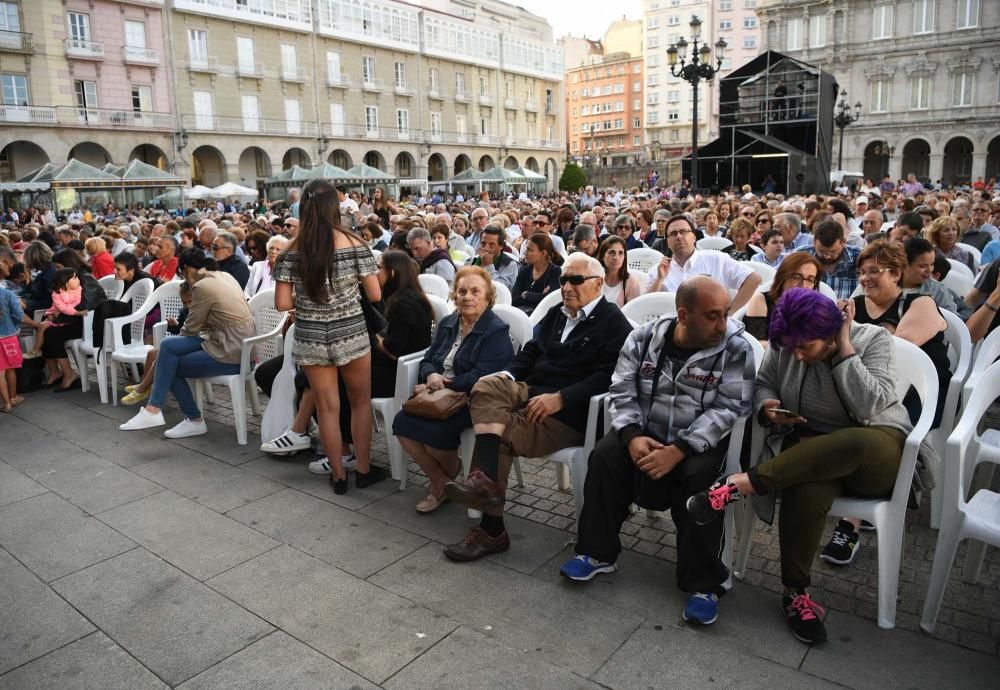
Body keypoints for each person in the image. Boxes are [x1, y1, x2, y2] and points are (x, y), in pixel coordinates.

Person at [686, 288, 917, 645]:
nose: (795, 354)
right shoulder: (786, 345)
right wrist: (767, 407)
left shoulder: (872, 340)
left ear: (828, 335)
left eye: (804, 348)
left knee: (855, 440)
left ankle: (741, 484)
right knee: (805, 484)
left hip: (876, 449)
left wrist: (843, 348)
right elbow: (763, 384)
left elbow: (869, 406)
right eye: (790, 348)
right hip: (811, 454)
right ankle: (795, 594)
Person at [560, 277, 755, 627]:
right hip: (646, 431)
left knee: (702, 480)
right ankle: (597, 553)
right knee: (606, 455)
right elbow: (620, 389)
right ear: (683, 315)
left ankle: (705, 584)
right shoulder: (644, 337)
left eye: (725, 314)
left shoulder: (735, 347)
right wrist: (632, 436)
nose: (722, 324)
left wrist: (680, 449)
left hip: (699, 442)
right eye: (712, 316)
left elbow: (730, 408)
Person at [442, 253, 633, 561]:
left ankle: (491, 528)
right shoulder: (559, 313)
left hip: (570, 413)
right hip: (532, 390)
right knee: (485, 386)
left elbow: (610, 378)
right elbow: (530, 352)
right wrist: (507, 378)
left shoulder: (613, 323)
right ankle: (484, 482)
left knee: (498, 434)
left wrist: (562, 398)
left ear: (598, 284)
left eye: (575, 280)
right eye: (563, 280)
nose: (566, 286)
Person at [271, 178, 384, 494]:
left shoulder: (292, 251)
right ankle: (362, 469)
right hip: (352, 332)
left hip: (311, 337)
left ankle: (337, 475)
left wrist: (309, 300)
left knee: (326, 408)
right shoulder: (356, 244)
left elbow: (281, 303)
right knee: (360, 403)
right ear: (335, 207)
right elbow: (374, 295)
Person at [392, 266, 514, 513]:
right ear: (454, 295)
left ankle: (440, 484)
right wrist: (430, 374)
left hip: (474, 400)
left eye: (475, 291)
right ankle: (441, 480)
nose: (467, 296)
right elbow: (429, 358)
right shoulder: (448, 322)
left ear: (488, 297)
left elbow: (484, 376)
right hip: (439, 394)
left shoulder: (495, 330)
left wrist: (442, 383)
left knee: (436, 436)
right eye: (462, 291)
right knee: (402, 423)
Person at [119, 248, 255, 438]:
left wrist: (175, 345)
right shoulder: (224, 276)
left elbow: (190, 328)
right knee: (168, 350)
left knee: (168, 361)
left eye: (181, 273)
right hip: (237, 346)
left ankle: (181, 416)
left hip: (230, 351)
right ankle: (157, 410)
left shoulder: (202, 286)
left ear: (186, 269)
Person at [647, 215, 761, 312]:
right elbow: (645, 305)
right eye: (673, 233)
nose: (679, 237)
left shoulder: (716, 259)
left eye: (684, 232)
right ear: (667, 242)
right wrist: (659, 280)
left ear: (694, 237)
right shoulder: (658, 270)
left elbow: (753, 278)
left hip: (713, 329)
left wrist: (729, 314)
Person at [744, 252, 822, 345]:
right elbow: (757, 344)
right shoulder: (760, 300)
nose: (803, 285)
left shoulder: (815, 306)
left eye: (810, 280)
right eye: (796, 277)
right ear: (782, 277)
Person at [900, 237, 971, 320]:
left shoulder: (938, 291)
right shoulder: (887, 284)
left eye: (932, 264)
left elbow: (952, 324)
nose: (930, 270)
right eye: (923, 266)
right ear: (904, 264)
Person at [797, 217, 861, 299]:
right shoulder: (801, 256)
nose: (827, 256)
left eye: (833, 252)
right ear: (814, 242)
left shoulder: (859, 257)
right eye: (821, 251)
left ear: (844, 242)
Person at [511, 233, 562, 315]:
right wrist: (540, 295)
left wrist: (526, 295)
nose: (525, 253)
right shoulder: (524, 271)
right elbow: (513, 299)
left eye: (530, 250)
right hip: (520, 314)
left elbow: (550, 301)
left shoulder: (555, 272)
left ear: (543, 253)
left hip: (541, 319)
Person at [0, 256, 24, 411]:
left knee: (0, 371)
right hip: (9, 335)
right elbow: (19, 315)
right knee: (11, 369)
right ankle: (13, 397)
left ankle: (6, 403)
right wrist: (14, 327)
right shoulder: (8, 294)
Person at [598, 235, 643, 307]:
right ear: (602, 256)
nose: (616, 257)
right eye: (612, 252)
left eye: (620, 253)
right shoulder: (594, 278)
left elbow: (633, 311)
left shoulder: (631, 282)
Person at [245, 235, 288, 299]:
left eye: (278, 249)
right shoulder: (257, 266)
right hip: (255, 305)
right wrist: (249, 300)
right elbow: (247, 289)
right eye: (271, 248)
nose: (273, 252)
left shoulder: (289, 270)